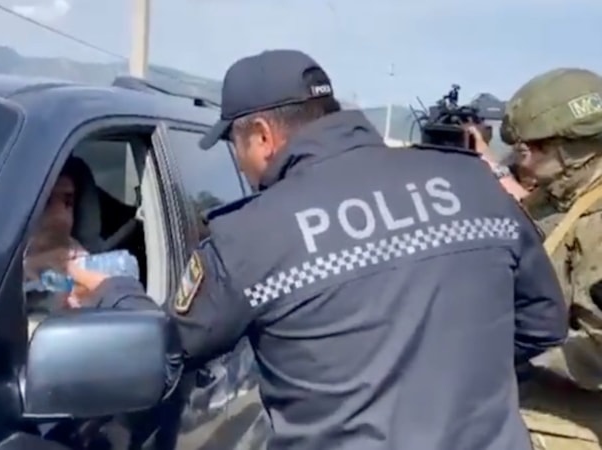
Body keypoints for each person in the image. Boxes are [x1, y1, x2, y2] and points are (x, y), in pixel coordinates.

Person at [68, 49, 567, 450]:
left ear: (262, 135)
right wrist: (453, 372)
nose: (239, 164)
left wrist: (114, 290)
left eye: (235, 145)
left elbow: (164, 355)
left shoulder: (249, 235)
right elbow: (544, 323)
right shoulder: (471, 181)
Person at [500, 67, 602, 450]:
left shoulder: (595, 225)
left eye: (526, 151)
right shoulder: (553, 200)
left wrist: (513, 351)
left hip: (577, 409)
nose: (520, 163)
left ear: (570, 149)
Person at [25, 159, 89, 311]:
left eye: (68, 202)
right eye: (45, 202)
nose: (61, 217)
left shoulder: (82, 262)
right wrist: (27, 268)